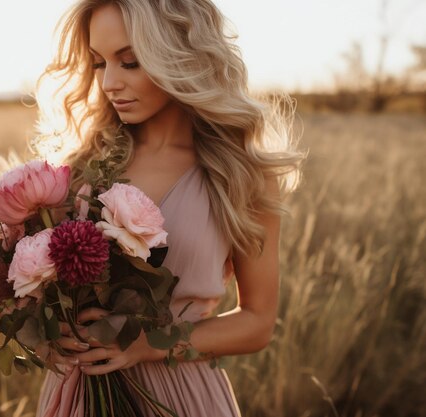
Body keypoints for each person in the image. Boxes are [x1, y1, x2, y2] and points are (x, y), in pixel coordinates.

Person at [32, 0, 304, 416]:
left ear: (180, 58)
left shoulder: (240, 174)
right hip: (78, 395)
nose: (108, 83)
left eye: (130, 62)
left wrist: (147, 346)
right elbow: (39, 289)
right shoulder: (81, 166)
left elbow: (258, 322)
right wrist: (45, 333)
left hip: (180, 396)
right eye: (99, 63)